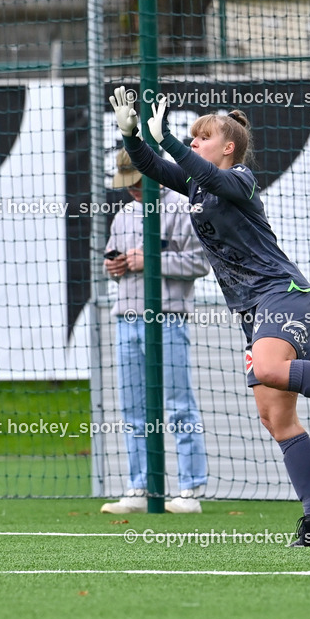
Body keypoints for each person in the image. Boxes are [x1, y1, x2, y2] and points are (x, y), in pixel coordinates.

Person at [109, 87, 310, 545]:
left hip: (284, 294)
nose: (193, 142)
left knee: (267, 369)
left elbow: (196, 169)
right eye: (191, 136)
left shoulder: (239, 179)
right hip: (253, 310)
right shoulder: (198, 184)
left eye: (201, 137)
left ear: (228, 147)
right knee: (274, 418)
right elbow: (154, 169)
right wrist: (132, 136)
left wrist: (171, 144)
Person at [100, 148, 211, 515]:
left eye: (137, 181)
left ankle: (190, 490)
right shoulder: (124, 214)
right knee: (133, 409)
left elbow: (199, 263)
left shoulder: (182, 208)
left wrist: (149, 261)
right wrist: (113, 266)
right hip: (126, 318)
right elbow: (111, 260)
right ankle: (139, 487)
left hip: (167, 318)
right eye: (126, 183)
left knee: (179, 405)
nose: (131, 190)